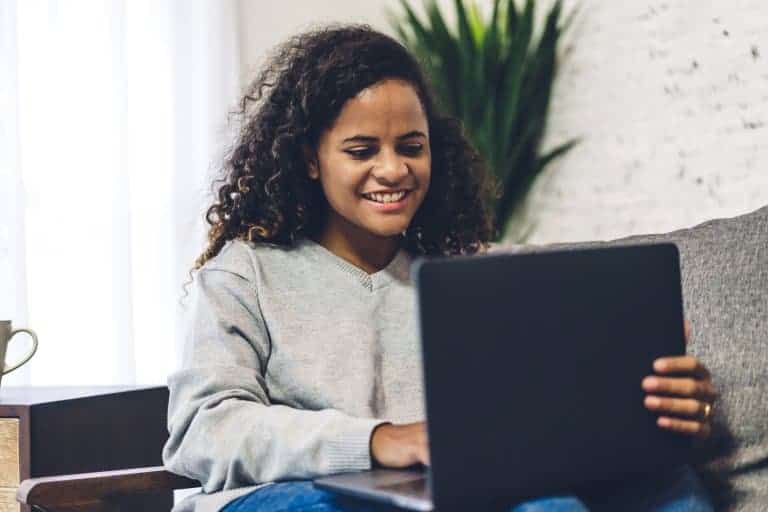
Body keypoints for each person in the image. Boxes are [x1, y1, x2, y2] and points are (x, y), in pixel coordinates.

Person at [163, 25, 718, 512]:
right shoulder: (244, 275)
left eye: (412, 146)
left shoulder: (467, 276)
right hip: (296, 492)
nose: (393, 169)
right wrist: (381, 439)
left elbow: (529, 422)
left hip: (448, 488)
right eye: (361, 151)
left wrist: (650, 405)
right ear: (310, 158)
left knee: (668, 485)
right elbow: (204, 429)